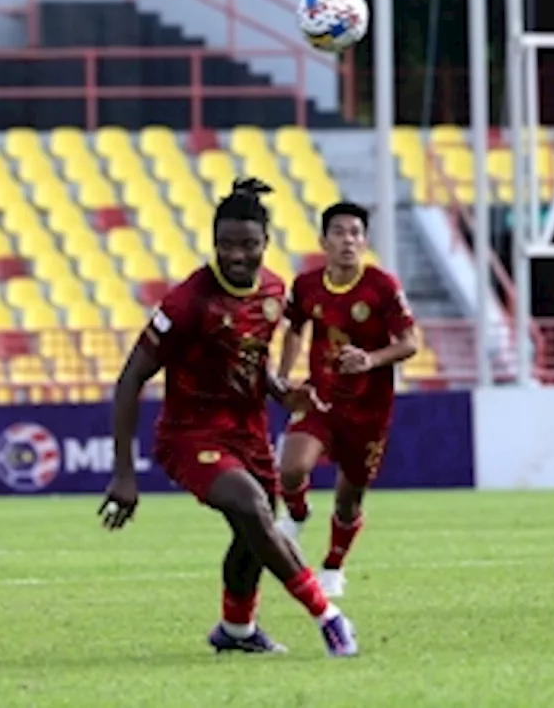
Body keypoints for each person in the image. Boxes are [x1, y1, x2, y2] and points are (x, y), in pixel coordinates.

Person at [98, 178, 359, 658]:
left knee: (251, 533)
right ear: (212, 243)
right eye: (225, 245)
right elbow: (129, 380)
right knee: (253, 509)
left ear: (266, 243)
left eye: (248, 245)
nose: (237, 255)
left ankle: (236, 631)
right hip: (190, 435)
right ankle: (329, 618)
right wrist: (123, 473)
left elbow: (251, 360)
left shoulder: (275, 291)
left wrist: (282, 393)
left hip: (250, 434)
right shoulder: (185, 304)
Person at [275, 202, 418, 597]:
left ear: (365, 241)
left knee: (348, 501)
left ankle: (333, 567)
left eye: (355, 233)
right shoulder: (306, 285)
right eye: (339, 232)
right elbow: (294, 329)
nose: (348, 240)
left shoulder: (382, 286)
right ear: (324, 241)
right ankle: (298, 514)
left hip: (368, 411)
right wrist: (284, 377)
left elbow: (410, 343)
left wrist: (371, 359)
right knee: (290, 468)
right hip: (321, 399)